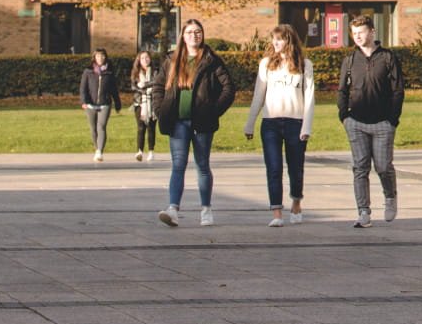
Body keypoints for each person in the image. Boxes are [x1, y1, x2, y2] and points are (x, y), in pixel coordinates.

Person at [156, 20, 234, 227]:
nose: (194, 35)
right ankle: (173, 209)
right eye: (189, 32)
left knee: (202, 166)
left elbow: (228, 89)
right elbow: (158, 86)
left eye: (198, 32)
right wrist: (160, 110)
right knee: (178, 165)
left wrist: (213, 110)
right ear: (182, 35)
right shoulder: (172, 60)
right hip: (177, 122)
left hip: (202, 123)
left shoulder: (211, 60)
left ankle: (206, 209)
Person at [244, 25, 316, 226]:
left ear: (289, 41)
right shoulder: (266, 64)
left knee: (296, 167)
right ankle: (276, 212)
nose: (275, 43)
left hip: (295, 122)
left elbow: (309, 98)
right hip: (271, 123)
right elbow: (258, 95)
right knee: (273, 167)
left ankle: (296, 203)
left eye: (280, 39)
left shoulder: (304, 64)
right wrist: (249, 124)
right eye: (273, 39)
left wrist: (306, 127)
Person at [337, 15, 404, 228]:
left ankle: (390, 197)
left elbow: (397, 91)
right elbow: (342, 90)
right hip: (356, 122)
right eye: (354, 33)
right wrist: (344, 116)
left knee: (383, 166)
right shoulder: (349, 60)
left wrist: (392, 119)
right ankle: (363, 212)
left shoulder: (388, 58)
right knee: (360, 167)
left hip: (383, 123)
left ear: (372, 32)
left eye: (361, 32)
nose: (357, 36)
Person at [79, 48, 120, 162]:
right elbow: (83, 88)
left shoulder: (109, 73)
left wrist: (117, 103)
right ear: (94, 58)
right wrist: (83, 102)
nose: (100, 58)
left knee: (101, 127)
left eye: (102, 56)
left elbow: (114, 89)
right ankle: (96, 148)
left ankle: (100, 151)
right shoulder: (88, 72)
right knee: (93, 129)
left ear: (105, 57)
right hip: (90, 104)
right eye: (98, 56)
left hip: (105, 104)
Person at [128, 50, 160, 162]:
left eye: (147, 57)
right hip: (140, 102)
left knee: (151, 127)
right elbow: (133, 86)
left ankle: (151, 151)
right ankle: (139, 151)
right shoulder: (136, 72)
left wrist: (145, 85)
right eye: (142, 58)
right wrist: (141, 90)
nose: (145, 60)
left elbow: (156, 83)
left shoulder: (155, 71)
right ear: (139, 60)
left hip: (152, 102)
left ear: (150, 59)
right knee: (141, 127)